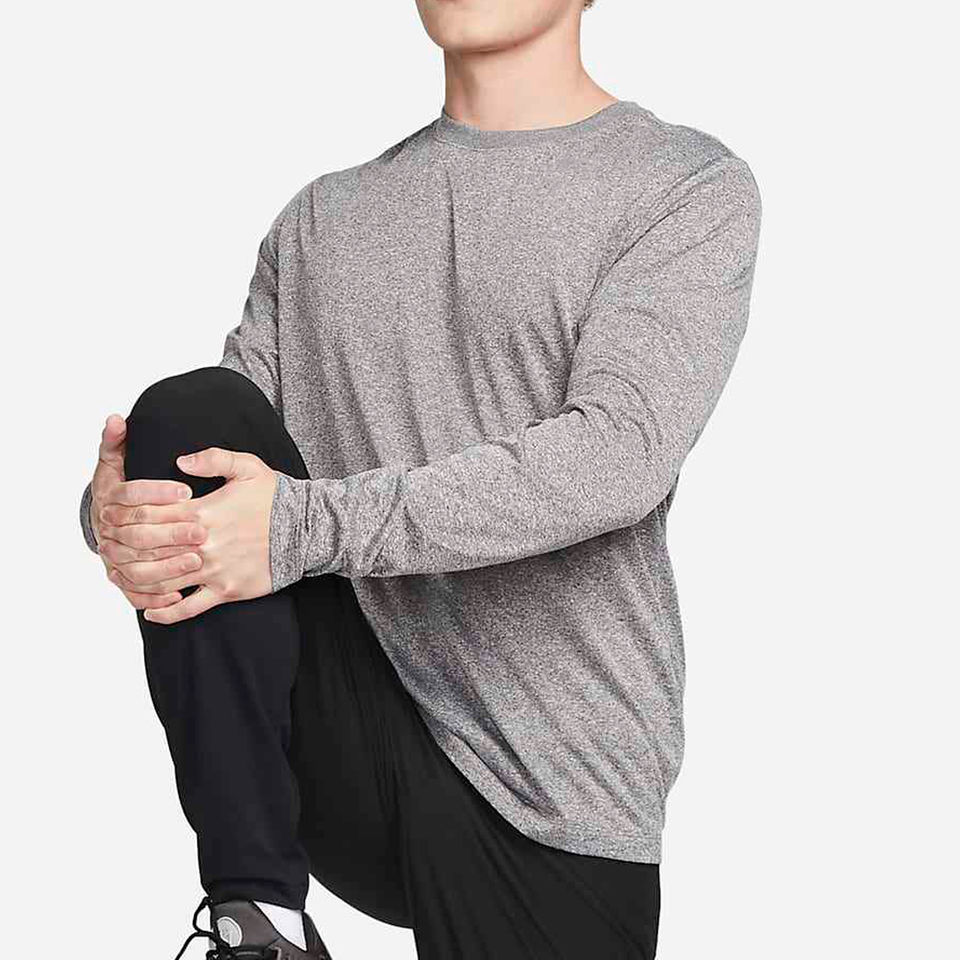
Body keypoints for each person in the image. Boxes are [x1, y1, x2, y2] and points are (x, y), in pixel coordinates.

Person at [77, 0, 762, 956]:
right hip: (349, 723)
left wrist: (298, 528)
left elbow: (618, 455)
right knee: (188, 414)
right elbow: (224, 480)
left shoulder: (680, 184)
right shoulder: (322, 219)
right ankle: (258, 921)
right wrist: (119, 517)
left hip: (552, 778)